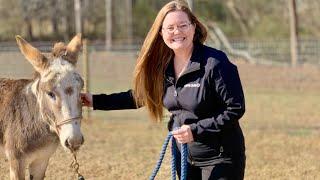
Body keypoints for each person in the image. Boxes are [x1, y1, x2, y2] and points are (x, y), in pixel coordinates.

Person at [81, 0, 246, 179]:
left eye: (183, 25)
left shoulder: (215, 63)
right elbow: (139, 97)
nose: (177, 32)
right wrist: (94, 100)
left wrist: (196, 130)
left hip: (221, 157)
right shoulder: (163, 67)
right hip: (184, 158)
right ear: (161, 33)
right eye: (170, 28)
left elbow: (235, 108)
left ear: (193, 27)